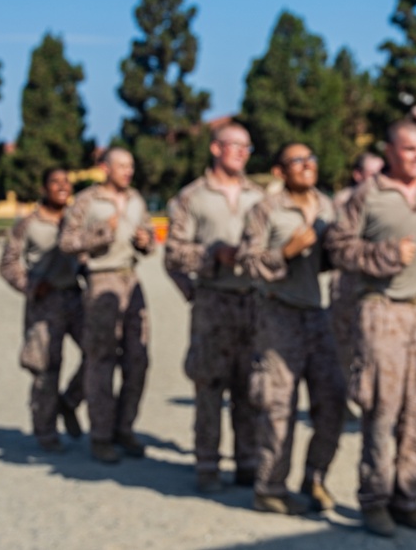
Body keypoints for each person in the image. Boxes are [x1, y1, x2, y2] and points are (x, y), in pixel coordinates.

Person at [326, 119, 416, 537]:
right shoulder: (368, 195)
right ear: (389, 151)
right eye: (408, 149)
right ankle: (375, 499)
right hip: (382, 310)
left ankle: (408, 496)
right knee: (382, 408)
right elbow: (338, 247)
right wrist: (384, 254)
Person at [237, 143, 345, 516]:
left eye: (311, 158)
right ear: (280, 170)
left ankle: (314, 477)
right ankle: (269, 487)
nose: (307, 165)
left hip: (319, 315)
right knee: (277, 407)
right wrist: (284, 252)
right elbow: (247, 263)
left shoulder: (329, 206)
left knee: (332, 401)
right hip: (277, 314)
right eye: (297, 161)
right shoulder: (265, 210)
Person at [164, 122, 265, 493]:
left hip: (254, 302)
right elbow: (173, 252)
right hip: (213, 302)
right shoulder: (193, 197)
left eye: (247, 147)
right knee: (209, 386)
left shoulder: (260, 196)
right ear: (215, 149)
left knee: (249, 386)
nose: (241, 152)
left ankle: (247, 462)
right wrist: (212, 256)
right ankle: (207, 464)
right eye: (234, 145)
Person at [59, 148, 155, 464]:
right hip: (101, 280)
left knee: (138, 359)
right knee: (101, 360)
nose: (128, 171)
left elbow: (150, 238)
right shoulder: (88, 201)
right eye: (122, 166)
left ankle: (123, 428)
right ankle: (100, 436)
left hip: (131, 279)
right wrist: (100, 234)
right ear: (105, 168)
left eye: (131, 165)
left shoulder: (137, 199)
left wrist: (145, 242)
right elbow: (67, 242)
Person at [0, 167, 85, 452]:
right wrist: (32, 285)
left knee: (101, 353)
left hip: (76, 298)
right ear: (44, 188)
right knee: (46, 367)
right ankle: (46, 433)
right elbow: (8, 264)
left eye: (66, 182)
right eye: (55, 182)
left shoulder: (76, 221)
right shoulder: (27, 223)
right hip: (45, 303)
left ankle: (69, 401)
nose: (62, 186)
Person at [329, 151, 384, 387]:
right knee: (343, 339)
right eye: (372, 173)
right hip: (346, 279)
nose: (376, 179)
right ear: (358, 174)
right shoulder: (342, 201)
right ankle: (344, 390)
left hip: (374, 281)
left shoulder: (385, 199)